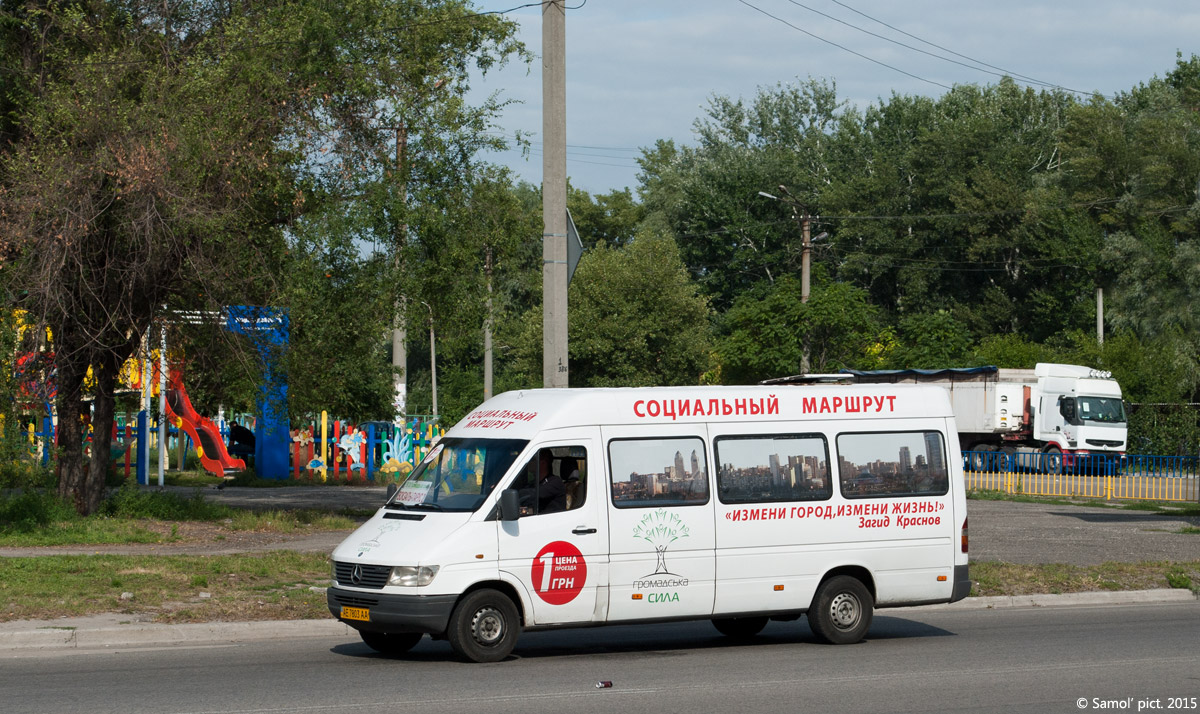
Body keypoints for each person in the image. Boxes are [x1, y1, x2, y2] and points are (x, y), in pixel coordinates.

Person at [519, 449, 566, 514]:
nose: (529, 462)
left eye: (532, 460)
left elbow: (536, 494)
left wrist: (517, 493)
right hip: (537, 518)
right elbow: (532, 510)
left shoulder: (555, 482)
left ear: (543, 463)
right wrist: (518, 512)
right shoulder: (533, 483)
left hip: (552, 521)